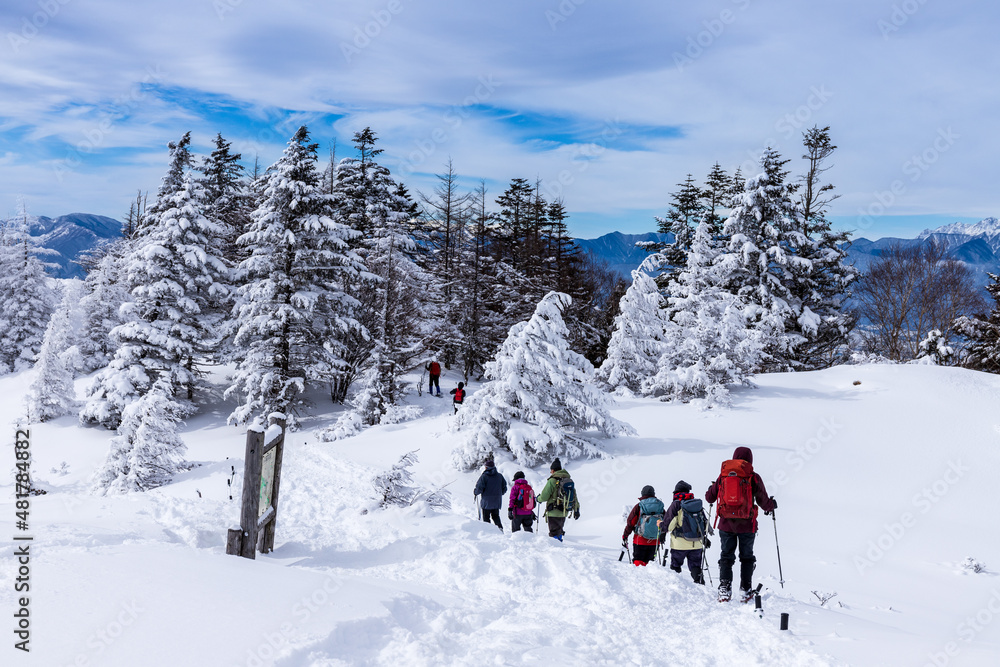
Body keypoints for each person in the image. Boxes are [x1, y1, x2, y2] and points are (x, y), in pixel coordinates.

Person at [705, 446, 776, 602]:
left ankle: (724, 589)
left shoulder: (723, 475)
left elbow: (709, 498)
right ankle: (745, 590)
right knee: (746, 557)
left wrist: (712, 488)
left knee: (726, 556)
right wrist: (772, 505)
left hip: (726, 524)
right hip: (746, 525)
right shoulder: (752, 476)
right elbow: (764, 501)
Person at [663, 480, 709, 584]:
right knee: (696, 566)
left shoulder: (676, 504)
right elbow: (704, 523)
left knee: (676, 565)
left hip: (679, 544)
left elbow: (669, 525)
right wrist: (705, 537)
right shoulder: (696, 504)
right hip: (696, 543)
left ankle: (677, 587)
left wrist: (662, 528)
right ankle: (700, 585)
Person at [536, 458, 579, 541]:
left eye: (551, 470)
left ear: (553, 470)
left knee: (554, 534)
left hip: (554, 511)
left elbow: (544, 496)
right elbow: (575, 496)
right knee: (558, 532)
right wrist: (576, 510)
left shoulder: (552, 480)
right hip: (564, 511)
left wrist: (538, 499)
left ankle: (557, 550)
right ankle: (559, 546)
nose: (550, 472)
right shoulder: (568, 480)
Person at [622, 485, 665, 566]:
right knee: (650, 564)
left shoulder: (639, 506)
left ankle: (638, 577)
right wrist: (663, 535)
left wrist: (625, 535)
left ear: (642, 494)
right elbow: (666, 522)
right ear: (653, 494)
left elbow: (630, 522)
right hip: (655, 540)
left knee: (638, 562)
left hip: (640, 539)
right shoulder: (659, 505)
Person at [473, 455, 507, 531]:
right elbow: (504, 488)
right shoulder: (499, 476)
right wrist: (498, 494)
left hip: (486, 502)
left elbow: (479, 488)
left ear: (487, 467)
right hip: (496, 501)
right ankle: (500, 529)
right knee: (496, 516)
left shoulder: (484, 476)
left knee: (486, 517)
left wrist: (475, 492)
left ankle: (488, 531)